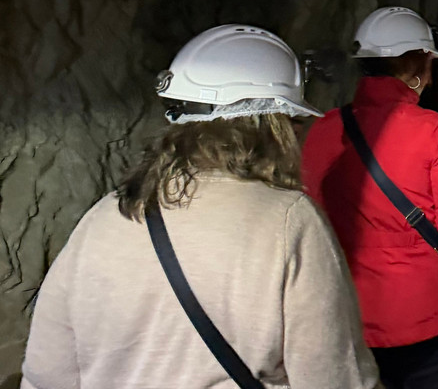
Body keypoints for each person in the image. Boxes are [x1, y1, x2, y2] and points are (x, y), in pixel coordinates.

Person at [20, 24, 380, 389]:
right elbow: (334, 377)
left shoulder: (103, 218)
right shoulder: (289, 222)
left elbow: (46, 372)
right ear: (273, 125)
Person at [303, 7, 438, 389]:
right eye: (429, 64)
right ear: (414, 67)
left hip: (351, 310)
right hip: (426, 312)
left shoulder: (325, 128)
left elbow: (312, 221)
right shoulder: (430, 128)